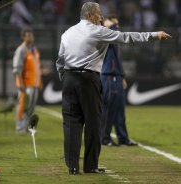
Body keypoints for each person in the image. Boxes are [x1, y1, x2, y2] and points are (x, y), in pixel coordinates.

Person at [56, 2, 171, 175]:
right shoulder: (97, 31)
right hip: (89, 79)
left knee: (71, 124)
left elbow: (60, 61)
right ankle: (90, 166)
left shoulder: (67, 33)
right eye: (98, 13)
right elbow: (127, 37)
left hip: (69, 79)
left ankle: (72, 167)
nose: (101, 17)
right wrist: (155, 35)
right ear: (90, 15)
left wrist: (66, 79)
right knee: (93, 123)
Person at [100, 16, 137, 146]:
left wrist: (122, 76)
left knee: (119, 109)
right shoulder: (106, 37)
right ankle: (104, 138)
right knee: (108, 108)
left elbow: (118, 61)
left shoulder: (116, 41)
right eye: (115, 24)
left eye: (118, 24)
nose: (117, 27)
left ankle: (123, 138)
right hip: (108, 75)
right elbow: (110, 29)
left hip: (117, 76)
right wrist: (109, 24)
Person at [13, 27, 42, 133]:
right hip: (25, 84)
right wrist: (20, 83)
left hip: (34, 83)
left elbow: (37, 67)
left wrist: (39, 82)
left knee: (31, 107)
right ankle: (19, 127)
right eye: (28, 35)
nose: (31, 37)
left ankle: (26, 126)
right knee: (22, 106)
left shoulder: (34, 50)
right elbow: (17, 69)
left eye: (31, 35)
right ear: (23, 37)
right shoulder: (21, 50)